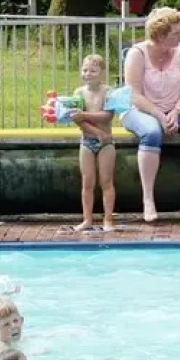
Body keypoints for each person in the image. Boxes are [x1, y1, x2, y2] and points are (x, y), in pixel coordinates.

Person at [122, 6, 180, 223]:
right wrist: (161, 116)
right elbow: (133, 94)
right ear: (161, 35)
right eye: (176, 33)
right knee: (152, 132)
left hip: (176, 105)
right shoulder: (137, 54)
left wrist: (176, 110)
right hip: (141, 109)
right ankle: (148, 199)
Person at [70, 55, 117, 232]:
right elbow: (77, 120)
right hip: (87, 142)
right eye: (85, 70)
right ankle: (87, 219)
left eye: (93, 70)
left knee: (106, 182)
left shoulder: (108, 92)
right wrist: (97, 132)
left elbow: (108, 115)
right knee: (87, 182)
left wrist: (84, 115)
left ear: (102, 73)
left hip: (107, 143)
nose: (88, 74)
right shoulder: (78, 93)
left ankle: (108, 220)